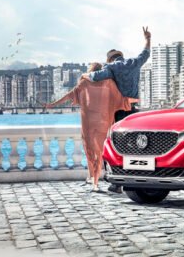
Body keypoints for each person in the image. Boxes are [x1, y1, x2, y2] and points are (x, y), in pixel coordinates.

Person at [46, 62, 136, 192]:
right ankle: (95, 182)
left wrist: (53, 104)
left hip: (88, 123)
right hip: (103, 122)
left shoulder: (84, 83)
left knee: (90, 150)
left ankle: (94, 182)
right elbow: (121, 99)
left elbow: (69, 95)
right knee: (100, 152)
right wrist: (136, 100)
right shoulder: (109, 83)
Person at [85, 26, 151, 121]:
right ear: (120, 56)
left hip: (118, 110)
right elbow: (146, 53)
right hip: (133, 108)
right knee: (132, 133)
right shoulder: (134, 62)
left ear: (110, 59)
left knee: (119, 134)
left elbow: (95, 76)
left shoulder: (111, 67)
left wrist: (85, 75)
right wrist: (148, 39)